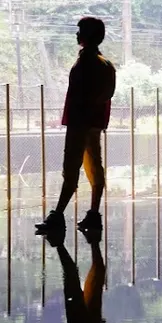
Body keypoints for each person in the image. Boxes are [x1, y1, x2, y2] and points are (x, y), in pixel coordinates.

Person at [36, 16, 116, 237]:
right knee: (94, 165)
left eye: (80, 30)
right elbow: (107, 93)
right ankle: (93, 212)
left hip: (80, 121)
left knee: (71, 166)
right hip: (94, 123)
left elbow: (84, 94)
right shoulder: (105, 65)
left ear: (88, 35)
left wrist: (83, 110)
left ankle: (58, 215)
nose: (77, 34)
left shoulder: (86, 63)